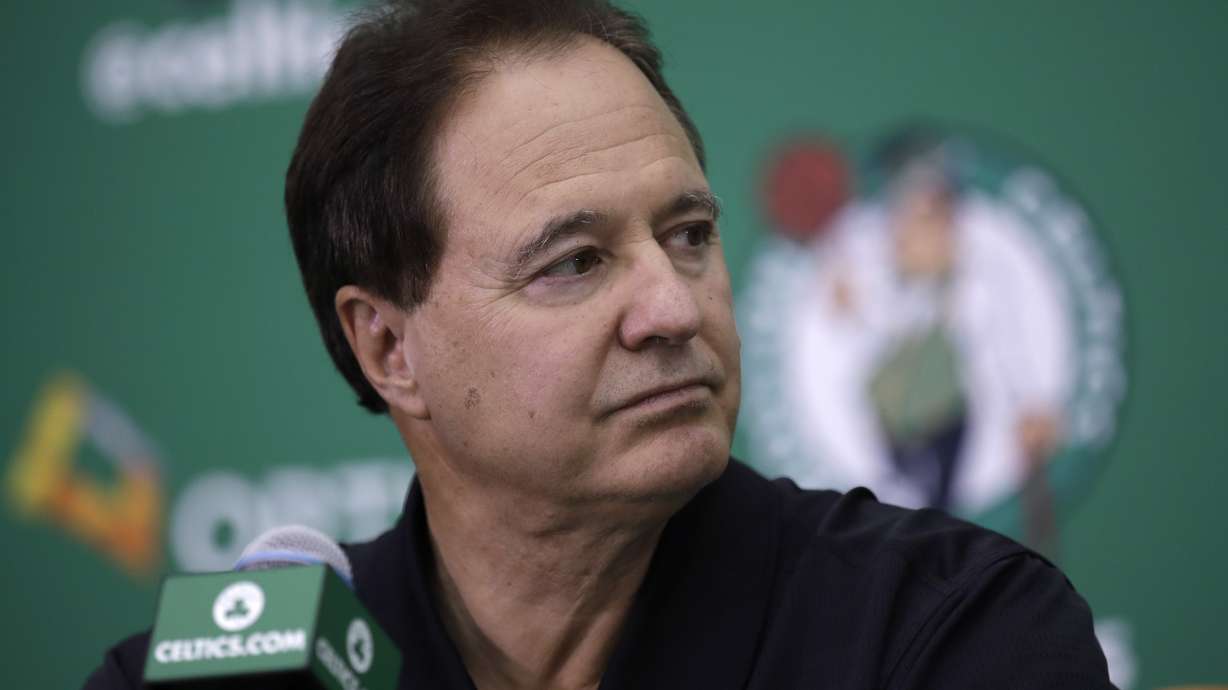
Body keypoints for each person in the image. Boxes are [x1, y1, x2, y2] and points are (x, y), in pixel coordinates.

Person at [84, 1, 1114, 688]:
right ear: (389, 348)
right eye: (573, 262)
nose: (674, 308)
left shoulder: (950, 634)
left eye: (690, 237)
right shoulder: (207, 677)